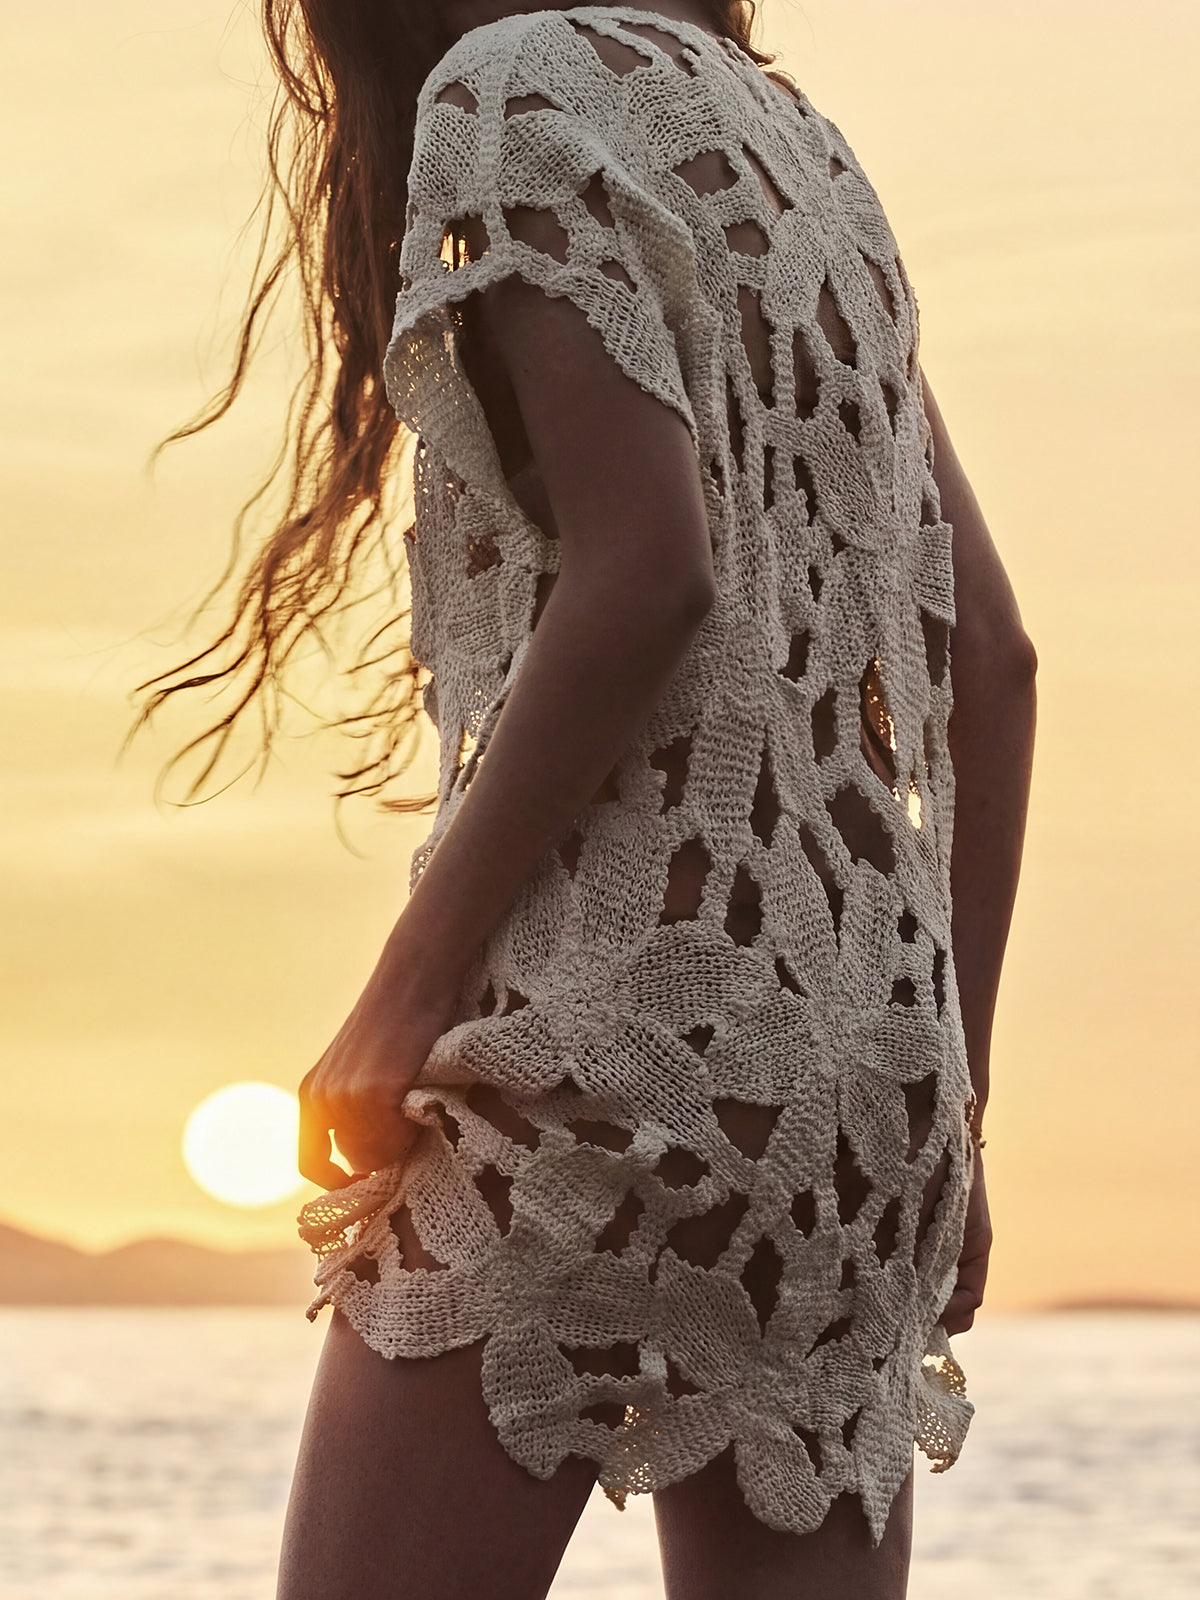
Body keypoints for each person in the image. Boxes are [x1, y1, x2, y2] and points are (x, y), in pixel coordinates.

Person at [145, 1, 1036, 1595]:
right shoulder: (809, 162)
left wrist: (400, 994)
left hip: (610, 1051)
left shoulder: (514, 88)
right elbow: (998, 658)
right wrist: (948, 1116)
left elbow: (648, 573)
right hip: (860, 1109)